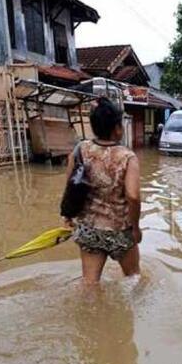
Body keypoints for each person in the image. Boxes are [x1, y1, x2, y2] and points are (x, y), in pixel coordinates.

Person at [62, 98, 142, 284]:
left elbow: (70, 183)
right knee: (134, 279)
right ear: (117, 128)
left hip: (89, 230)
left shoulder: (80, 150)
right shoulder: (127, 157)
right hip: (120, 231)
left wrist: (67, 216)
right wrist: (136, 228)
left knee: (89, 284)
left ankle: (90, 312)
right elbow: (133, 196)